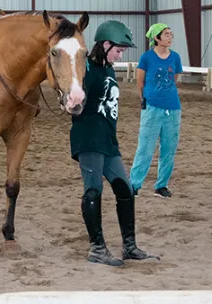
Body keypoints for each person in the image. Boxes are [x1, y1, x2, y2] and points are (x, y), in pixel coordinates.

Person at [70, 20, 154, 266]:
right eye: (118, 50)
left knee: (125, 191)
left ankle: (129, 247)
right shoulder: (84, 67)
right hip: (88, 138)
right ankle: (97, 249)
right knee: (93, 191)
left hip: (108, 140)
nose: (119, 55)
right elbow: (71, 95)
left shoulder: (108, 68)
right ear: (105, 44)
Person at [129, 23, 184, 198]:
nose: (170, 37)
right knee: (145, 146)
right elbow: (140, 82)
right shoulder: (146, 58)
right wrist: (145, 99)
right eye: (166, 34)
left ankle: (162, 185)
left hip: (173, 108)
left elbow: (174, 79)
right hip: (152, 107)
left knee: (169, 148)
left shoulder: (175, 57)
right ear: (156, 38)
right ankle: (134, 184)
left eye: (171, 34)